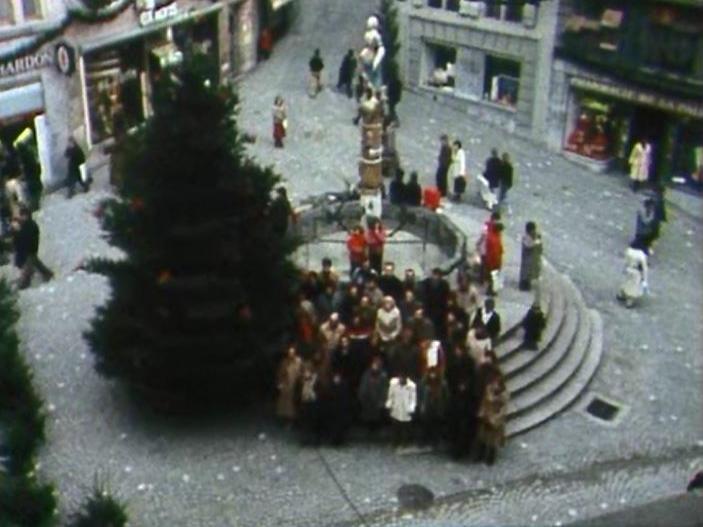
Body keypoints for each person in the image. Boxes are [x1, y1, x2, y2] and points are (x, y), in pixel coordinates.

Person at [12, 205, 53, 289]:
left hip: (29, 252)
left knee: (28, 271)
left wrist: (17, 231)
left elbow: (24, 238)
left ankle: (23, 287)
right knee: (36, 266)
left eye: (23, 215)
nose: (22, 217)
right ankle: (48, 276)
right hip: (28, 252)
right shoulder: (27, 225)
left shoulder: (29, 225)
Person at [476, 369, 509, 465]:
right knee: (482, 437)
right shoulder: (489, 389)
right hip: (487, 415)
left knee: (492, 441)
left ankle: (490, 458)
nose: (495, 384)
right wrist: (482, 413)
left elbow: (503, 410)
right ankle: (480, 454)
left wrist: (495, 419)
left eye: (497, 382)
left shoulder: (504, 395)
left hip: (495, 418)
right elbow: (484, 402)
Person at [358, 357, 389, 438]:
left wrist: (383, 399)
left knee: (378, 416)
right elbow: (363, 387)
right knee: (369, 417)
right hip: (368, 400)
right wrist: (363, 397)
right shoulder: (367, 374)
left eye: (378, 363)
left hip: (378, 400)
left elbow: (385, 388)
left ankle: (377, 430)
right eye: (375, 363)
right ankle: (369, 430)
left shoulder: (383, 375)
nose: (376, 365)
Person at [417, 367, 449, 447]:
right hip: (427, 406)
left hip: (438, 406)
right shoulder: (424, 382)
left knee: (436, 425)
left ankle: (435, 442)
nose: (433, 374)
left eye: (434, 372)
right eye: (431, 372)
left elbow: (446, 396)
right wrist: (420, 405)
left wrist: (444, 406)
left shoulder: (442, 383)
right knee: (425, 425)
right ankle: (423, 441)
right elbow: (420, 395)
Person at [385, 373, 417, 449]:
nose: (401, 379)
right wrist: (389, 405)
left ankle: (404, 443)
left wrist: (411, 409)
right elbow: (390, 396)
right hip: (396, 408)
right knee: (395, 427)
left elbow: (413, 399)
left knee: (405, 428)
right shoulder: (393, 384)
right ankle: (394, 442)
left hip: (406, 409)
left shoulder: (411, 386)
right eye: (400, 377)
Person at [616, 238, 649, 308]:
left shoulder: (629, 251)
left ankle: (621, 294)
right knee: (633, 287)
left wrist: (624, 268)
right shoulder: (641, 255)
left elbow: (625, 261)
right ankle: (629, 302)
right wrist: (645, 280)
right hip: (636, 272)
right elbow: (645, 268)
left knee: (626, 282)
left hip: (628, 269)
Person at [276, 345, 303, 425]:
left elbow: (301, 372)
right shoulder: (284, 362)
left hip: (294, 385)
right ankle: (282, 419)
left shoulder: (299, 361)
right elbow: (280, 373)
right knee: (283, 404)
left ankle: (291, 420)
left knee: (292, 404)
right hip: (286, 385)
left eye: (293, 352)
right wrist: (279, 383)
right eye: (290, 352)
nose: (291, 354)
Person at [519, 221, 543, 291]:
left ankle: (527, 284)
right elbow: (529, 246)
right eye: (533, 230)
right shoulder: (526, 237)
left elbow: (539, 247)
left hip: (531, 261)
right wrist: (536, 240)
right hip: (527, 261)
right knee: (525, 273)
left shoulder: (533, 237)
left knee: (529, 274)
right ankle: (523, 285)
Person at [484, 221, 504, 295]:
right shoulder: (492, 238)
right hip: (493, 261)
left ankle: (491, 290)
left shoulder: (495, 236)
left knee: (493, 276)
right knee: (492, 276)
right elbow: (493, 252)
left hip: (494, 260)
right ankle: (490, 290)